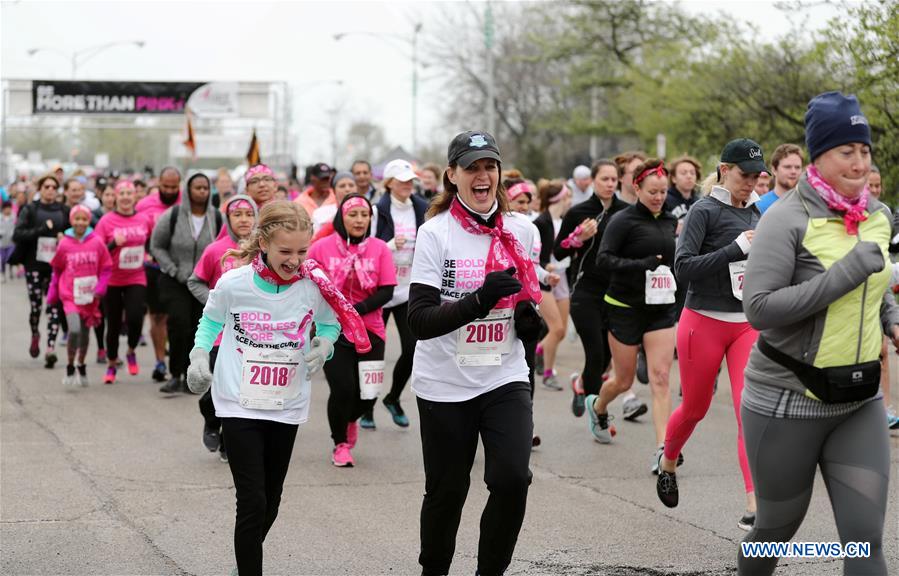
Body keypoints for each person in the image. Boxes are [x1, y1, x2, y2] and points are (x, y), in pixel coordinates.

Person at [739, 92, 896, 575]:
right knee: (774, 534)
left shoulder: (878, 215)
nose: (858, 161)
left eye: (864, 150)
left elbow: (876, 286)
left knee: (864, 547)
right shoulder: (785, 219)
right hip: (786, 401)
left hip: (858, 400)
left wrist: (891, 319)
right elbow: (759, 309)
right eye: (846, 151)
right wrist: (843, 273)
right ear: (817, 156)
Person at [185, 200, 367, 576]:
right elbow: (210, 322)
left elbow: (329, 323)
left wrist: (326, 343)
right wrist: (199, 356)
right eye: (286, 251)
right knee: (251, 502)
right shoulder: (235, 282)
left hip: (286, 403)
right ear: (263, 243)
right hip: (239, 402)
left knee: (271, 501)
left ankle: (247, 551)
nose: (294, 260)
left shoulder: (313, 285)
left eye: (302, 251)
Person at [408, 131, 541, 576]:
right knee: (447, 491)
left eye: (489, 166)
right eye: (471, 167)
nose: (482, 176)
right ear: (452, 176)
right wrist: (480, 300)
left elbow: (525, 298)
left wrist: (527, 318)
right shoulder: (434, 234)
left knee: (512, 480)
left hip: (503, 375)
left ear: (499, 174)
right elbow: (420, 321)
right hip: (444, 382)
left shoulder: (522, 229)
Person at [657, 139, 765, 532]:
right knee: (695, 408)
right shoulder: (703, 211)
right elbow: (682, 269)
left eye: (756, 177)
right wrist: (735, 249)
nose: (750, 183)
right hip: (701, 321)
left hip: (745, 324)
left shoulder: (755, 213)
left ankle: (755, 504)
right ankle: (668, 460)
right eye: (744, 175)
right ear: (724, 170)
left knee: (747, 412)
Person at [587, 158, 678, 470]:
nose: (658, 197)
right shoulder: (623, 221)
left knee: (661, 378)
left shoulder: (670, 220)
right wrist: (642, 266)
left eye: (663, 191)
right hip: (624, 308)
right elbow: (603, 260)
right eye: (652, 191)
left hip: (661, 309)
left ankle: (664, 450)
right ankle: (598, 406)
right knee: (624, 381)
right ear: (636, 187)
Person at [308, 193, 396, 465]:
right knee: (342, 389)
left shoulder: (380, 248)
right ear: (341, 218)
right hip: (330, 329)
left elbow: (387, 291)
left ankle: (351, 419)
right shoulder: (321, 248)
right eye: (352, 214)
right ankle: (340, 444)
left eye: (364, 215)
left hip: (370, 330)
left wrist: (354, 311)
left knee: (368, 395)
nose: (359, 220)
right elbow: (308, 283)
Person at [555, 160, 636, 418]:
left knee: (606, 359)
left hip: (615, 292)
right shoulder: (579, 211)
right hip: (585, 292)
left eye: (614, 180)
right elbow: (558, 251)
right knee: (595, 353)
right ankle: (597, 416)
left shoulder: (627, 212)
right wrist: (578, 238)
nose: (610, 184)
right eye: (605, 179)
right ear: (593, 180)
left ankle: (581, 384)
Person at [188, 194, 258, 462]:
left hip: (250, 335)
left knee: (239, 389)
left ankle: (230, 443)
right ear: (228, 218)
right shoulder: (215, 250)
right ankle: (209, 418)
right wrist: (216, 304)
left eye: (248, 214)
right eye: (237, 214)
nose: (243, 219)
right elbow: (195, 282)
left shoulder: (264, 250)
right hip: (219, 334)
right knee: (213, 389)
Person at [365, 159, 429, 429]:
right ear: (389, 182)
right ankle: (365, 408)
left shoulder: (423, 208)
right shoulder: (377, 210)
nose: (407, 184)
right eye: (402, 180)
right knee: (371, 355)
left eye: (410, 180)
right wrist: (389, 245)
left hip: (408, 289)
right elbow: (366, 246)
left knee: (414, 348)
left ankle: (392, 398)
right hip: (381, 289)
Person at [151, 172, 222, 394]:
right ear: (188, 190)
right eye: (197, 187)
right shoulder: (173, 215)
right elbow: (157, 246)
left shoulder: (217, 218)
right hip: (176, 281)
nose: (202, 191)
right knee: (178, 325)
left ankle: (193, 376)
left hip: (202, 282)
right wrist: (173, 269)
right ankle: (175, 375)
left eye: (205, 188)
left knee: (197, 328)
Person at [93, 181, 155, 384]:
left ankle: (130, 350)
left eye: (130, 193)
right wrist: (113, 244)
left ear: (135, 196)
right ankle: (112, 362)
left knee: (136, 318)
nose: (127, 197)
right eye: (122, 193)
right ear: (115, 197)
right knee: (113, 324)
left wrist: (149, 254)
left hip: (136, 276)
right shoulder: (106, 221)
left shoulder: (143, 219)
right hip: (112, 279)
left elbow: (150, 242)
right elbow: (97, 252)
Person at [46, 205, 112, 388]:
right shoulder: (65, 243)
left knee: (84, 335)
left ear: (88, 221)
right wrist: (52, 294)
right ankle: (69, 365)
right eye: (77, 219)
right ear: (71, 220)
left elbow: (106, 268)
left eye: (84, 219)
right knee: (73, 330)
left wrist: (100, 289)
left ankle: (81, 365)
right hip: (69, 295)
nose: (80, 222)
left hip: (90, 298)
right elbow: (57, 270)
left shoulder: (97, 242)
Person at [12, 174, 69, 367]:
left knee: (54, 306)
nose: (51, 190)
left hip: (56, 267)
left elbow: (75, 232)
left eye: (54, 187)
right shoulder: (30, 210)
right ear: (40, 189)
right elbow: (17, 234)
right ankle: (35, 333)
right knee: (36, 307)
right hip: (34, 266)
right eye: (47, 186)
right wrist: (40, 230)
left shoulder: (63, 210)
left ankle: (50, 348)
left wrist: (65, 238)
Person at [137, 167, 181, 382]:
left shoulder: (188, 204)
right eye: (166, 186)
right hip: (154, 268)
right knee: (157, 316)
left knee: (180, 317)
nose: (170, 191)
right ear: (158, 183)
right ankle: (160, 361)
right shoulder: (145, 205)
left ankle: (180, 359)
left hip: (181, 269)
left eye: (174, 187)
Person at [532, 180, 572, 390]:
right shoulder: (540, 222)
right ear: (561, 198)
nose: (571, 201)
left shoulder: (565, 221)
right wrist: (546, 267)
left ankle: (539, 351)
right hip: (544, 280)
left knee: (562, 331)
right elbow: (534, 256)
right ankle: (548, 372)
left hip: (563, 279)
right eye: (568, 196)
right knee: (555, 329)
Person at [755, 143, 804, 214]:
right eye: (787, 167)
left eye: (797, 167)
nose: (793, 171)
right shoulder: (759, 206)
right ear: (774, 170)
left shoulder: (808, 204)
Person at [311, 171, 356, 241]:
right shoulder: (319, 213)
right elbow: (314, 240)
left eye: (351, 185)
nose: (347, 189)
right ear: (334, 191)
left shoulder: (365, 212)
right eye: (342, 186)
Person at [0, 201, 15, 281]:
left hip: (11, 242)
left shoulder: (14, 217)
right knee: (3, 259)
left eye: (9, 208)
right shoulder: (0, 218)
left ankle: (10, 270)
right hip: (2, 243)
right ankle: (3, 272)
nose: (8, 210)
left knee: (9, 257)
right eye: (6, 208)